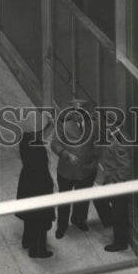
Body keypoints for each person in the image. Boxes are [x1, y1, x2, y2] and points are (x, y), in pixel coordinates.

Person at [50, 101, 101, 238]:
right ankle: (62, 226)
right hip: (67, 171)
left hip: (87, 170)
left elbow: (98, 142)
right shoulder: (63, 124)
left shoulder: (94, 124)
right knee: (64, 200)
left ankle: (78, 220)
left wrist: (95, 158)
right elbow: (54, 143)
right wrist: (66, 154)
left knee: (83, 199)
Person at [16, 120, 55, 259]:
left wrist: (50, 126)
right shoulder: (38, 152)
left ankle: (27, 242)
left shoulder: (25, 141)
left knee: (29, 219)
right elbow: (43, 170)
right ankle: (38, 250)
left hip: (27, 186)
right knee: (41, 221)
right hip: (40, 188)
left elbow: (39, 135)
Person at [98, 127, 134, 252]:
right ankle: (110, 223)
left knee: (119, 212)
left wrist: (114, 182)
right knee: (100, 199)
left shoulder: (120, 141)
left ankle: (120, 243)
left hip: (119, 184)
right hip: (112, 179)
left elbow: (125, 166)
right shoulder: (114, 135)